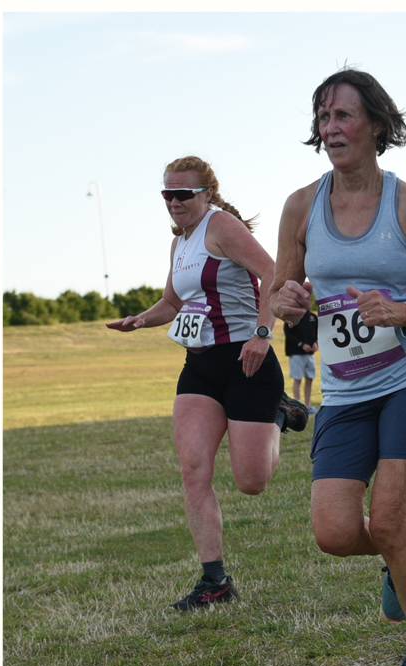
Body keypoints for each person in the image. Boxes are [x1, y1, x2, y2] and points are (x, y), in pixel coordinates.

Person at [269, 69, 406, 666]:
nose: (332, 129)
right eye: (323, 118)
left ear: (378, 125)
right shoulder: (302, 205)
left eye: (344, 116)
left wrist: (404, 311)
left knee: (385, 520)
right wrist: (289, 299)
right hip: (345, 389)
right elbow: (280, 291)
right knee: (333, 533)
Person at [107, 155, 308, 610]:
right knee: (193, 469)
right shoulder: (179, 243)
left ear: (207, 194)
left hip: (247, 363)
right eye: (167, 195)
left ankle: (279, 411)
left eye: (184, 194)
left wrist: (262, 333)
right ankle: (213, 581)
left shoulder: (223, 228)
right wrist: (140, 320)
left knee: (251, 482)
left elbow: (274, 274)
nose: (174, 203)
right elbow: (172, 301)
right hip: (198, 367)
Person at [284, 310, 319, 413]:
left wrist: (316, 343)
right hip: (296, 354)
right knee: (297, 379)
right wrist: (301, 344)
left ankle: (308, 406)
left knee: (310, 379)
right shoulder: (291, 316)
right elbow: (288, 334)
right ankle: (298, 407)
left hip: (310, 354)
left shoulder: (312, 316)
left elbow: (317, 332)